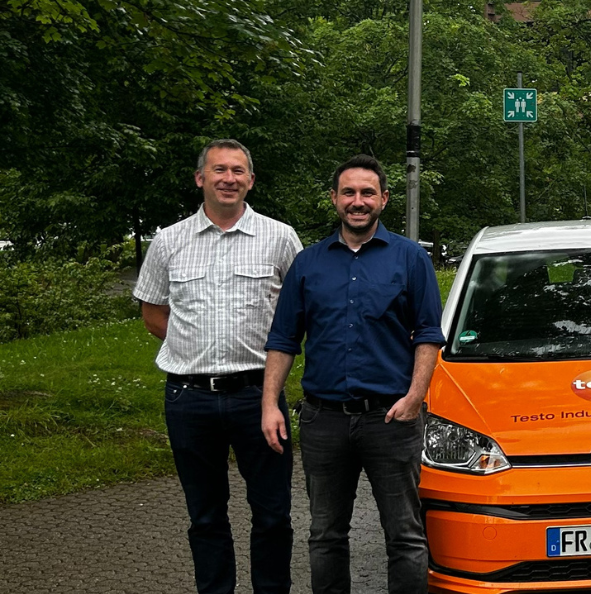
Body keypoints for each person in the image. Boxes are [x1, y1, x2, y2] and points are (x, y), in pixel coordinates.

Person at [261, 155, 444, 594]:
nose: (357, 201)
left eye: (366, 193)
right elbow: (284, 339)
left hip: (392, 419)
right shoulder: (308, 264)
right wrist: (270, 403)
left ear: (383, 199)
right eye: (348, 193)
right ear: (334, 199)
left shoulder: (410, 258)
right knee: (325, 535)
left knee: (405, 535)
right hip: (324, 422)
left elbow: (429, 334)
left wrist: (416, 396)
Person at [133, 139, 302, 594]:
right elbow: (153, 312)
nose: (229, 178)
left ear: (250, 180)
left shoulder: (280, 237)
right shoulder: (169, 241)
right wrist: (196, 345)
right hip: (189, 400)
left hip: (259, 397)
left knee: (272, 515)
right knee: (205, 516)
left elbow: (296, 312)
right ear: (200, 178)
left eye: (238, 171)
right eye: (219, 170)